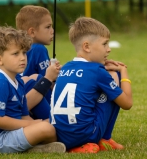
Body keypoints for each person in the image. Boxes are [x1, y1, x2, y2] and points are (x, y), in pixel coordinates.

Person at [0, 27, 65, 153]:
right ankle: (35, 147)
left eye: (24, 53)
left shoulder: (17, 81)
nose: (22, 58)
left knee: (52, 123)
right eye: (15, 54)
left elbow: (24, 115)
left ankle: (38, 146)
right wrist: (33, 125)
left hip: (11, 133)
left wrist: (37, 123)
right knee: (46, 128)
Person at [50, 17, 133, 153]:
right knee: (114, 75)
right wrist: (123, 71)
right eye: (104, 44)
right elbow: (127, 103)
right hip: (88, 134)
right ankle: (104, 138)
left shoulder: (65, 67)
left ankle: (78, 147)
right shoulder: (97, 72)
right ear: (87, 46)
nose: (109, 49)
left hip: (61, 136)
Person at [16, 5, 53, 77]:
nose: (52, 31)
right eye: (48, 27)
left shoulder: (18, 49)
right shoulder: (39, 49)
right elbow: (48, 80)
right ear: (32, 32)